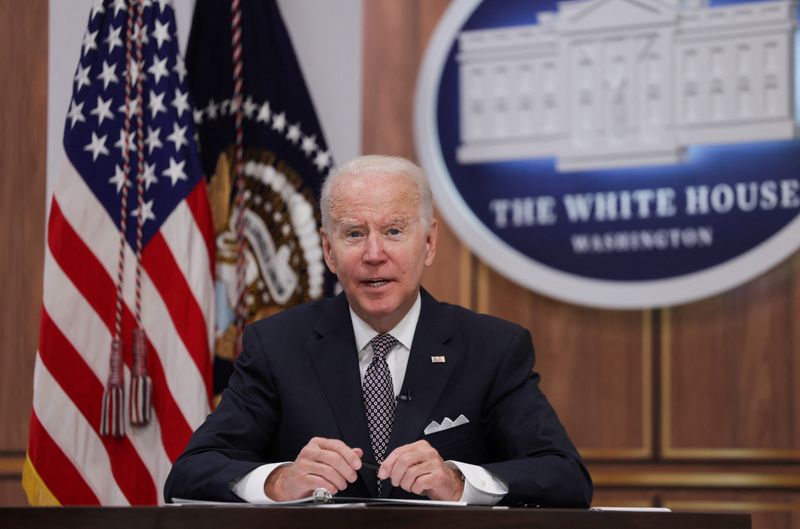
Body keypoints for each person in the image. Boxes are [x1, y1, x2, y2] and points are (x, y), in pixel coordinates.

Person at [164, 155, 592, 506]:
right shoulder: (276, 346)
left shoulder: (493, 348)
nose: (374, 254)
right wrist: (279, 482)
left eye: (393, 231)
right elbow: (191, 471)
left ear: (428, 243)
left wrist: (460, 482)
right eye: (354, 233)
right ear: (329, 251)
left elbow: (564, 476)